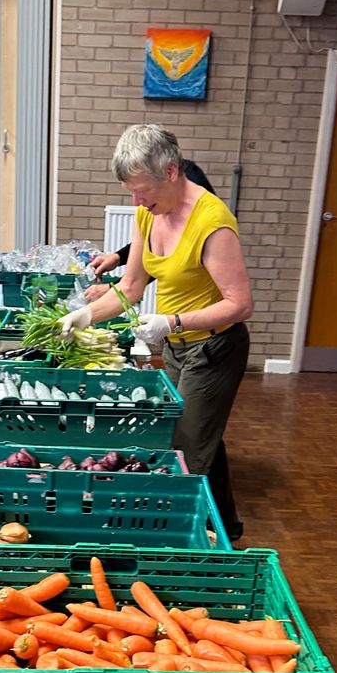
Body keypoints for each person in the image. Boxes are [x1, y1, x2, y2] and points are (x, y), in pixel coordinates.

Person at [61, 124, 253, 543]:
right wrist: (85, 316)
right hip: (181, 348)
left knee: (183, 451)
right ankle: (228, 527)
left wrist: (172, 321)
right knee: (200, 434)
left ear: (171, 172)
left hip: (216, 348)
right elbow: (130, 288)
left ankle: (180, 548)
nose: (136, 201)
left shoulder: (213, 222)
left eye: (141, 189)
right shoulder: (148, 214)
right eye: (130, 191)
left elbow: (239, 304)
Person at [87, 160, 217, 288]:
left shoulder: (206, 220)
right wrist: (118, 257)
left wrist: (113, 288)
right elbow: (154, 246)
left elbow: (167, 263)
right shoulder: (158, 208)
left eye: (144, 190)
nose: (137, 202)